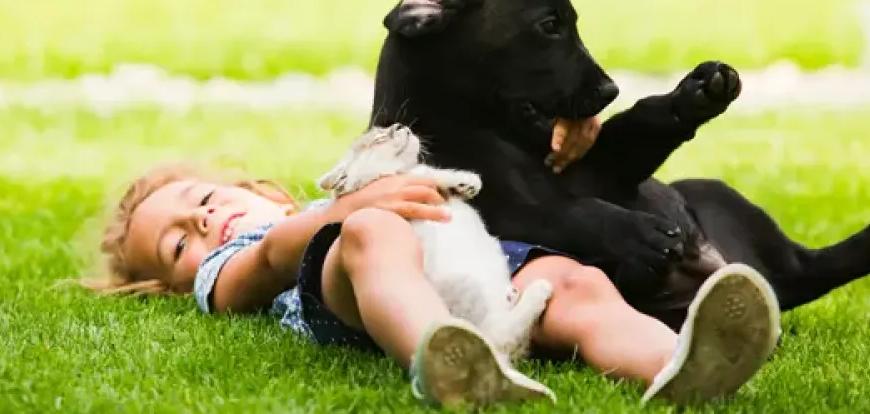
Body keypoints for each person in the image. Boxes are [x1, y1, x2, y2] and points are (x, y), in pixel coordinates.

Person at [75, 119, 782, 408]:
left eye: (201, 200)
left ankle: (680, 363)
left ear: (265, 191)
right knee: (373, 235)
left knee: (574, 283)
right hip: (355, 291)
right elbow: (269, 257)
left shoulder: (319, 195)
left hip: (478, 264)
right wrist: (353, 209)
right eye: (177, 244)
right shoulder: (243, 261)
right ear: (180, 281)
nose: (201, 221)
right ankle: (439, 357)